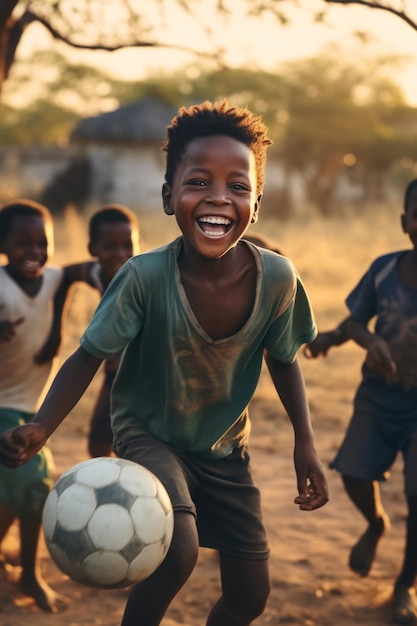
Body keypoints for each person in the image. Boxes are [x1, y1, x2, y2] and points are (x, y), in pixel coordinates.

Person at [0, 100, 329, 626]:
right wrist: (42, 426)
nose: (219, 197)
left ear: (257, 203)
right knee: (177, 550)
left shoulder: (278, 279)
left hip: (224, 447)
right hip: (148, 433)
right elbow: (89, 355)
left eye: (238, 186)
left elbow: (284, 357)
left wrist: (304, 442)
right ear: (168, 195)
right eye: (199, 181)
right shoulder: (144, 277)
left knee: (250, 596)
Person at [328, 177, 417, 625]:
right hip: (378, 397)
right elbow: (356, 322)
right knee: (353, 474)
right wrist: (367, 343)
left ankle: (405, 586)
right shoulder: (385, 269)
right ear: (406, 222)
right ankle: (375, 522)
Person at [0, 199, 69, 613]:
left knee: (12, 492)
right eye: (22, 242)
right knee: (36, 483)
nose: (35, 251)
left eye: (42, 242)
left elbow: (83, 271)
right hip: (2, 406)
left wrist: (59, 323)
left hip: (30, 408)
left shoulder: (55, 278)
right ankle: (31, 574)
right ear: (3, 244)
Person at [57, 204, 140, 457]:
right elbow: (65, 275)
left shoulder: (143, 278)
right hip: (115, 375)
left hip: (152, 375)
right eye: (110, 246)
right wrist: (55, 333)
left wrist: (126, 352)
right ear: (93, 250)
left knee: (141, 445)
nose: (120, 253)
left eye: (128, 245)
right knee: (98, 443)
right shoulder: (96, 273)